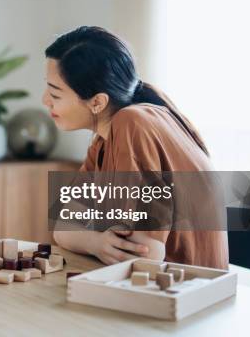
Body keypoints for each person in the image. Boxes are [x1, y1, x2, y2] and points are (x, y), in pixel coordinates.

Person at [42, 26, 228, 269]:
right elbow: (62, 227)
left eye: (55, 95)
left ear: (97, 102)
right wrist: (95, 242)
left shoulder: (132, 123)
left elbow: (142, 253)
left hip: (185, 291)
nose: (44, 101)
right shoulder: (103, 140)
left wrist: (90, 237)